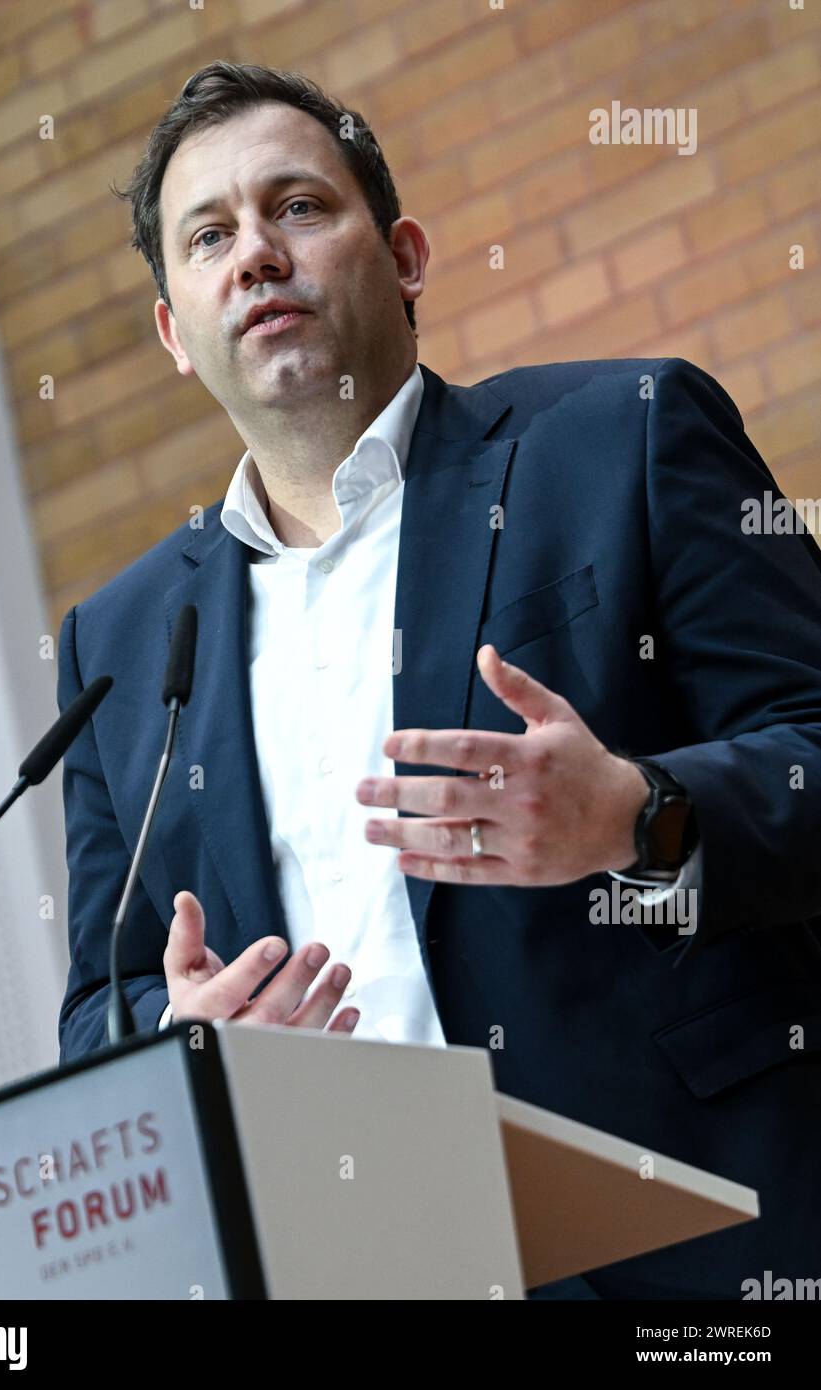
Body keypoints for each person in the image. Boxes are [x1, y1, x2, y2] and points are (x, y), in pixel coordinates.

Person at [57, 62, 821, 1300]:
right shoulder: (119, 643)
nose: (255, 254)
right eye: (209, 235)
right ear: (174, 335)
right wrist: (180, 1041)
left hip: (691, 1249)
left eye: (298, 207)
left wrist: (637, 815)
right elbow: (102, 1002)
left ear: (405, 255)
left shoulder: (622, 435)